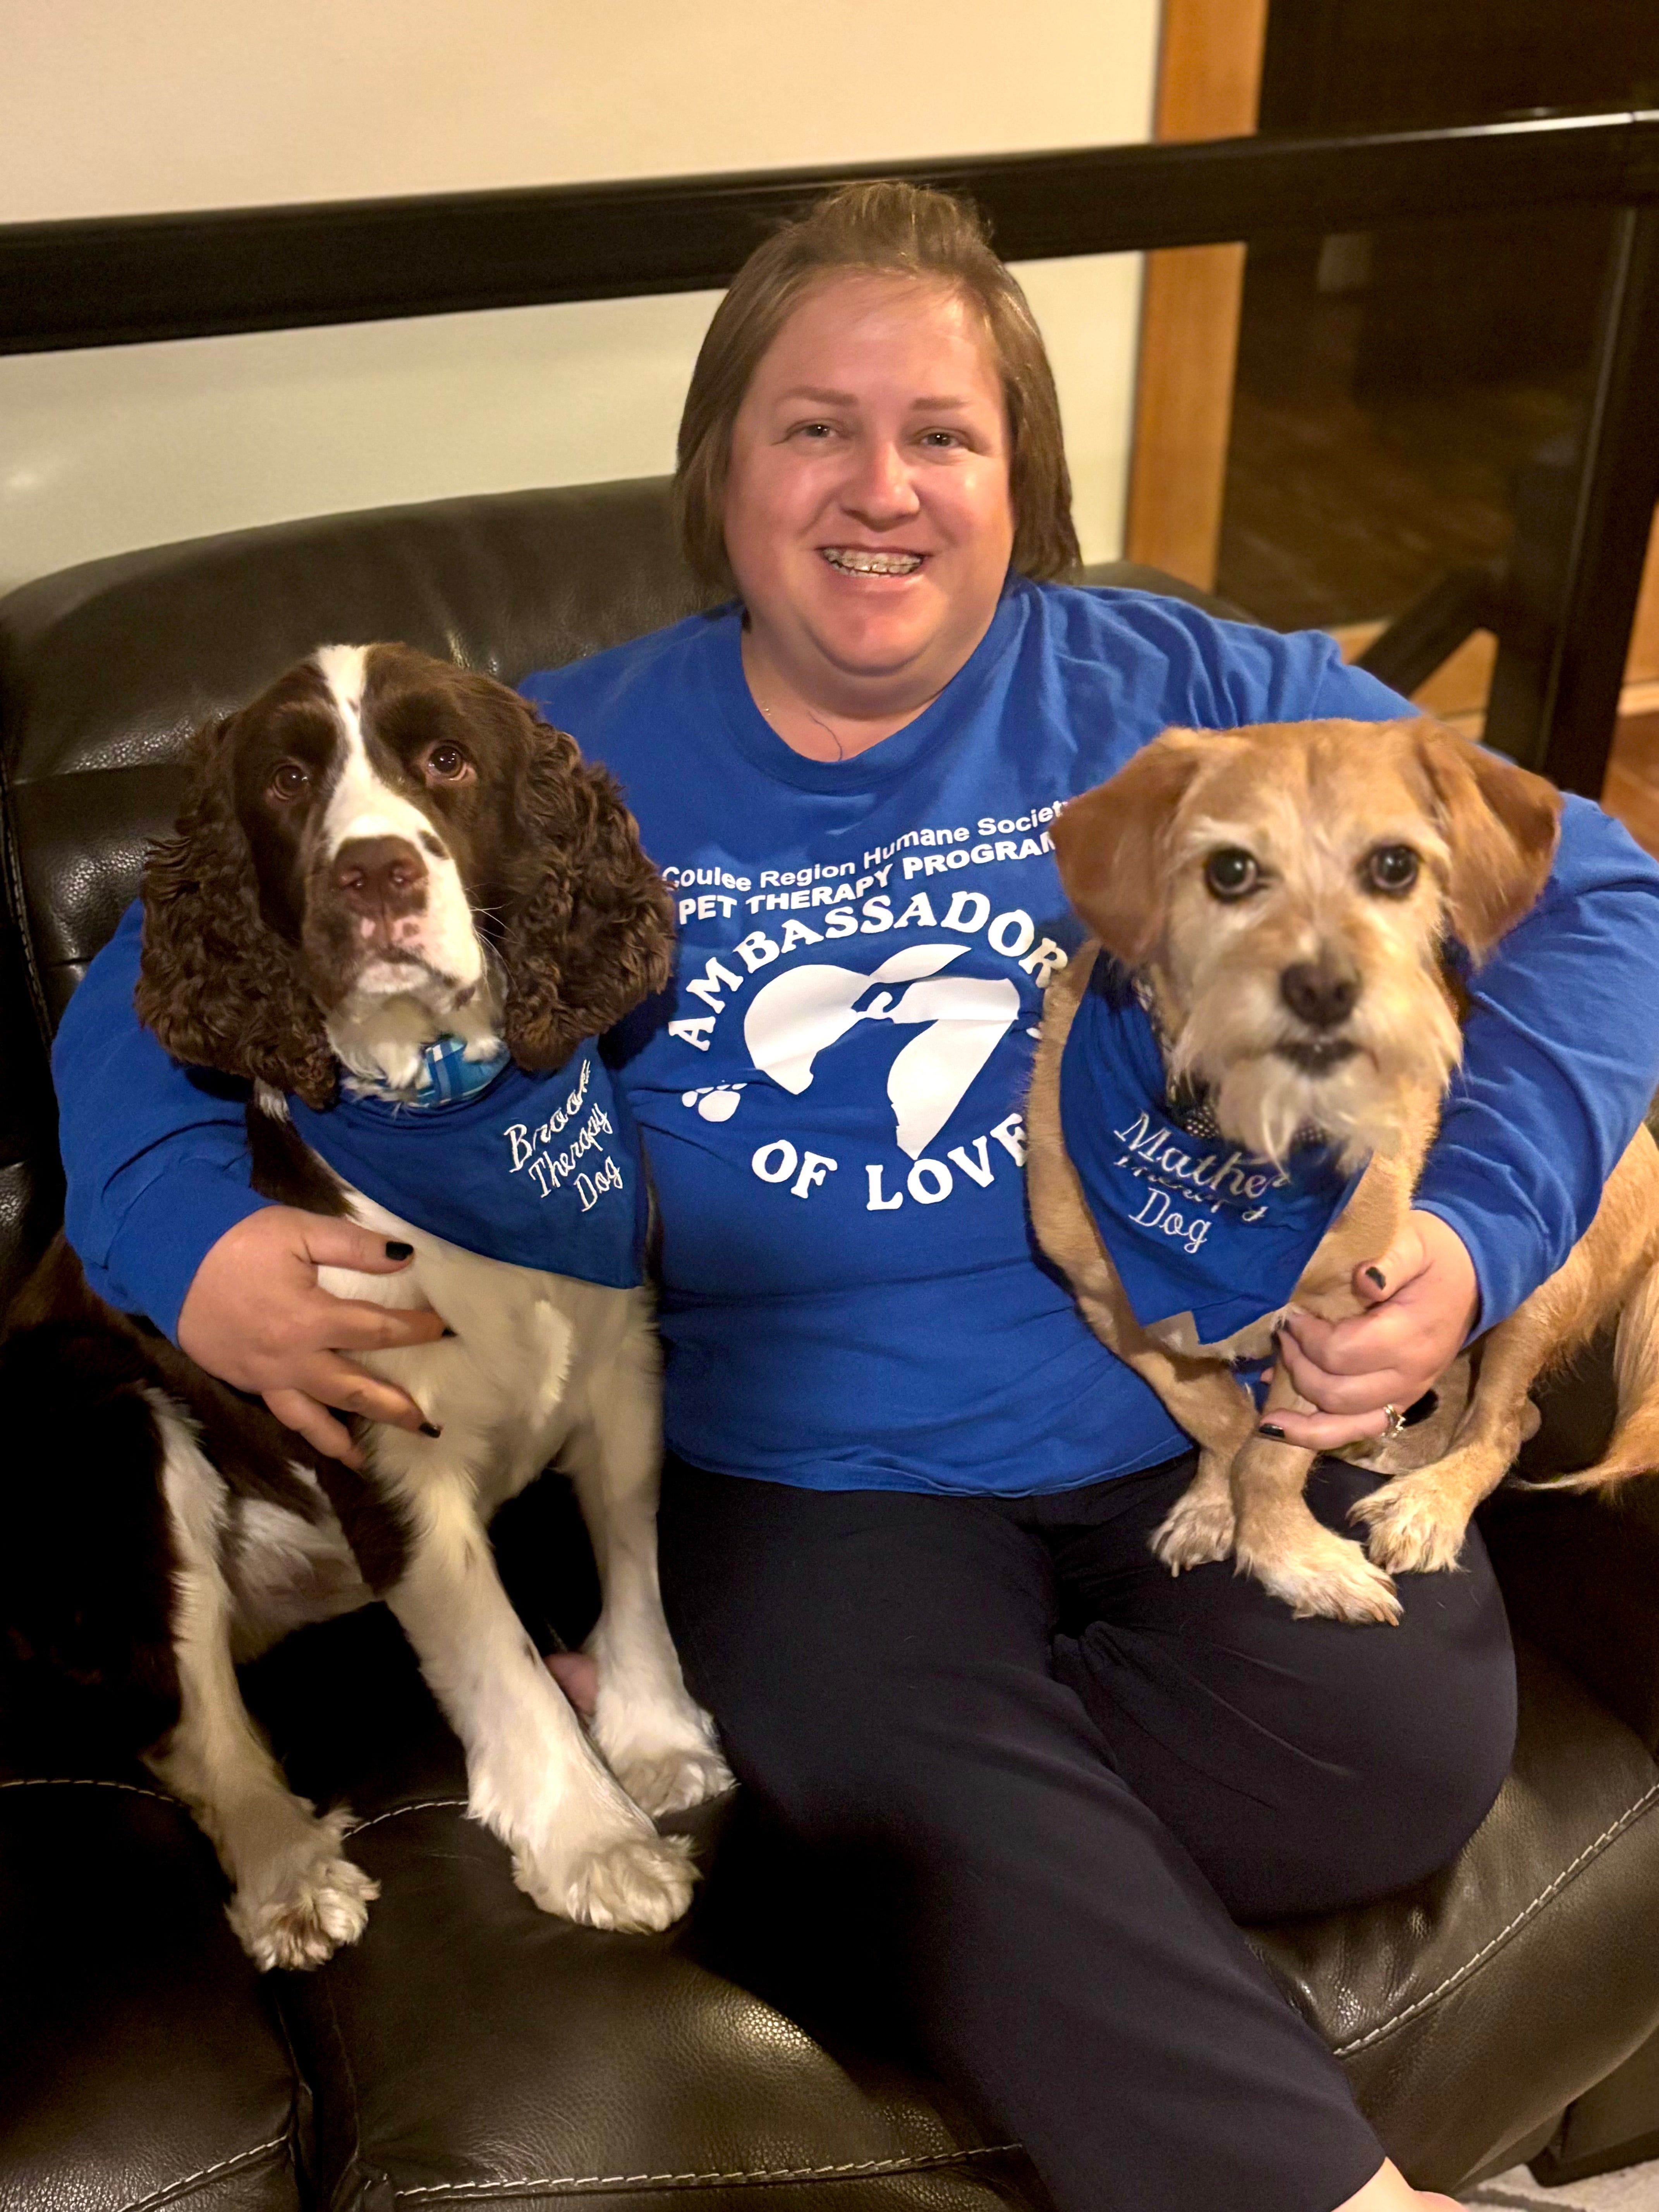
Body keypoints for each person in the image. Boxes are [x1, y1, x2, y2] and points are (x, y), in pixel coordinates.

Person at [53, 183, 1659, 2212]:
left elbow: (1600, 891)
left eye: (943, 436)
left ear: (1020, 481)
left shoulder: (1171, 691)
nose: (876, 489)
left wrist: (1465, 1240)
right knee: (891, 1742)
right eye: (813, 427)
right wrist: (186, 1244)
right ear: (724, 470)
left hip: (1184, 1416)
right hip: (816, 1479)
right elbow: (142, 978)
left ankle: (893, 1841)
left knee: (1395, 1755)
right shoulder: (571, 749)